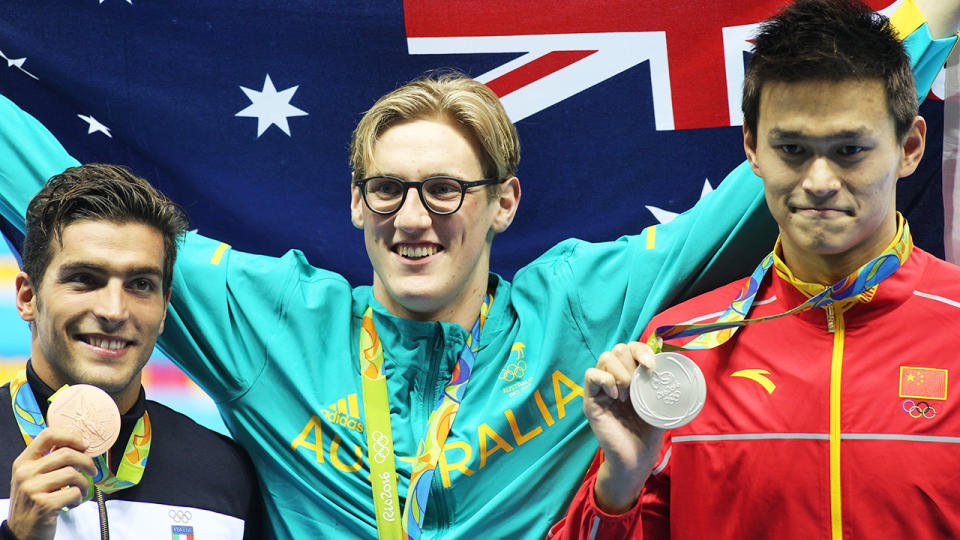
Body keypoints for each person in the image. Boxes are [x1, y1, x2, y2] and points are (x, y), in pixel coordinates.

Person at [0, 2, 953, 537]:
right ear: (354, 204)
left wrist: (933, 21)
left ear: (503, 204)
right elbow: (61, 190)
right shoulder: (273, 322)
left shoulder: (580, 309)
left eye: (447, 191)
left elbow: (749, 197)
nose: (413, 220)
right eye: (387, 191)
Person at [548, 0, 960, 538]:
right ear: (752, 150)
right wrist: (621, 480)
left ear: (909, 148)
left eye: (849, 150)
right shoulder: (678, 352)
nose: (818, 180)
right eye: (791, 148)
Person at [0, 164, 262, 540]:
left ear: (163, 307)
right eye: (84, 279)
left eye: (140, 284)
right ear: (28, 297)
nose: (113, 311)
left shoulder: (223, 469)